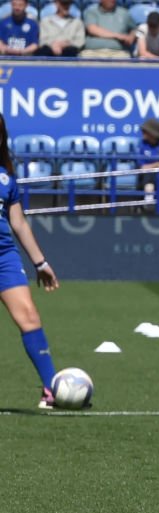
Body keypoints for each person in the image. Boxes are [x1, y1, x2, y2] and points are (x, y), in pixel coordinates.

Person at [0, 114, 60, 409]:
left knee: (29, 317)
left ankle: (52, 389)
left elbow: (19, 223)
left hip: (3, 257)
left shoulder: (5, 178)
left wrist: (40, 263)